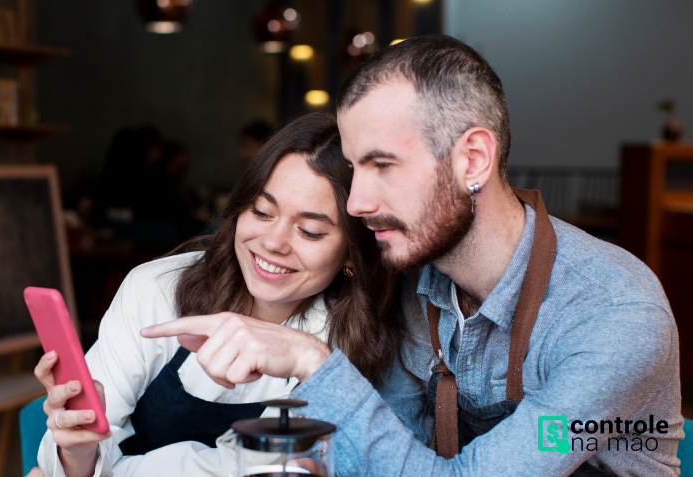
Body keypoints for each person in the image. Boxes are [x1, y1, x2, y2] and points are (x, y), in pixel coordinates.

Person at [143, 36, 683, 476]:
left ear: (473, 159)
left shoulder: (614, 315)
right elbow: (380, 461)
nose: (356, 203)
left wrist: (313, 362)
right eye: (354, 170)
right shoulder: (411, 278)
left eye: (383, 166)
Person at [34, 112, 400, 477]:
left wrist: (122, 468)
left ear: (352, 249)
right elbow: (65, 465)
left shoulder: (344, 344)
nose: (273, 243)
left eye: (309, 231)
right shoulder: (154, 290)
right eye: (261, 211)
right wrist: (79, 452)